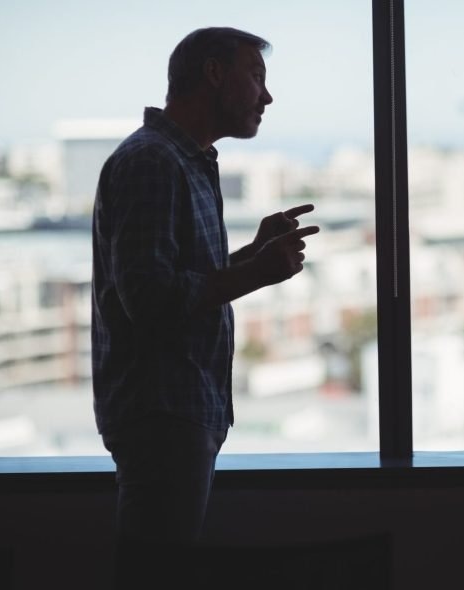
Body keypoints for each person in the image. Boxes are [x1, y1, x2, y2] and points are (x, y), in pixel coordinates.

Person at [91, 26, 318, 583]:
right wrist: (258, 273)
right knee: (157, 573)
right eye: (257, 77)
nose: (267, 97)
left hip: (176, 410)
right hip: (162, 411)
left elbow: (177, 278)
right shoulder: (153, 163)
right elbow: (148, 299)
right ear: (214, 73)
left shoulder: (184, 160)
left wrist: (250, 254)